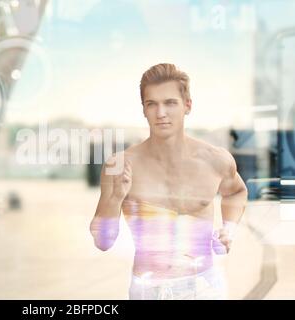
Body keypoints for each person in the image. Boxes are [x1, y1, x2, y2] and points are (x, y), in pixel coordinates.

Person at [89, 63, 248, 300]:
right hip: (149, 290)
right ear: (143, 109)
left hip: (206, 287)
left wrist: (229, 229)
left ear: (187, 105)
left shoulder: (215, 160)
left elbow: (236, 192)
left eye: (170, 103)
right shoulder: (120, 166)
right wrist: (115, 198)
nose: (161, 113)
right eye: (151, 104)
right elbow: (103, 242)